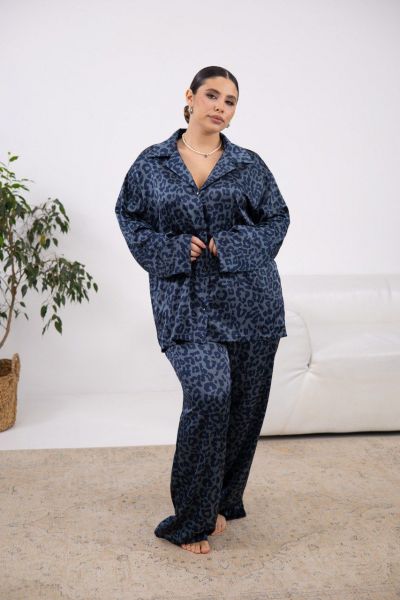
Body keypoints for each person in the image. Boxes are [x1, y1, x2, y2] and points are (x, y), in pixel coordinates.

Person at [115, 65, 290, 555]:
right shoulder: (151, 164)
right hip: (185, 304)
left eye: (230, 101)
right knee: (210, 396)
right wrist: (173, 250)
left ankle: (220, 502)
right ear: (190, 97)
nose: (220, 106)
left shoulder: (249, 165)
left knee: (244, 410)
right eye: (212, 95)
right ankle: (190, 519)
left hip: (252, 304)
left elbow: (278, 218)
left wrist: (229, 244)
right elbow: (129, 217)